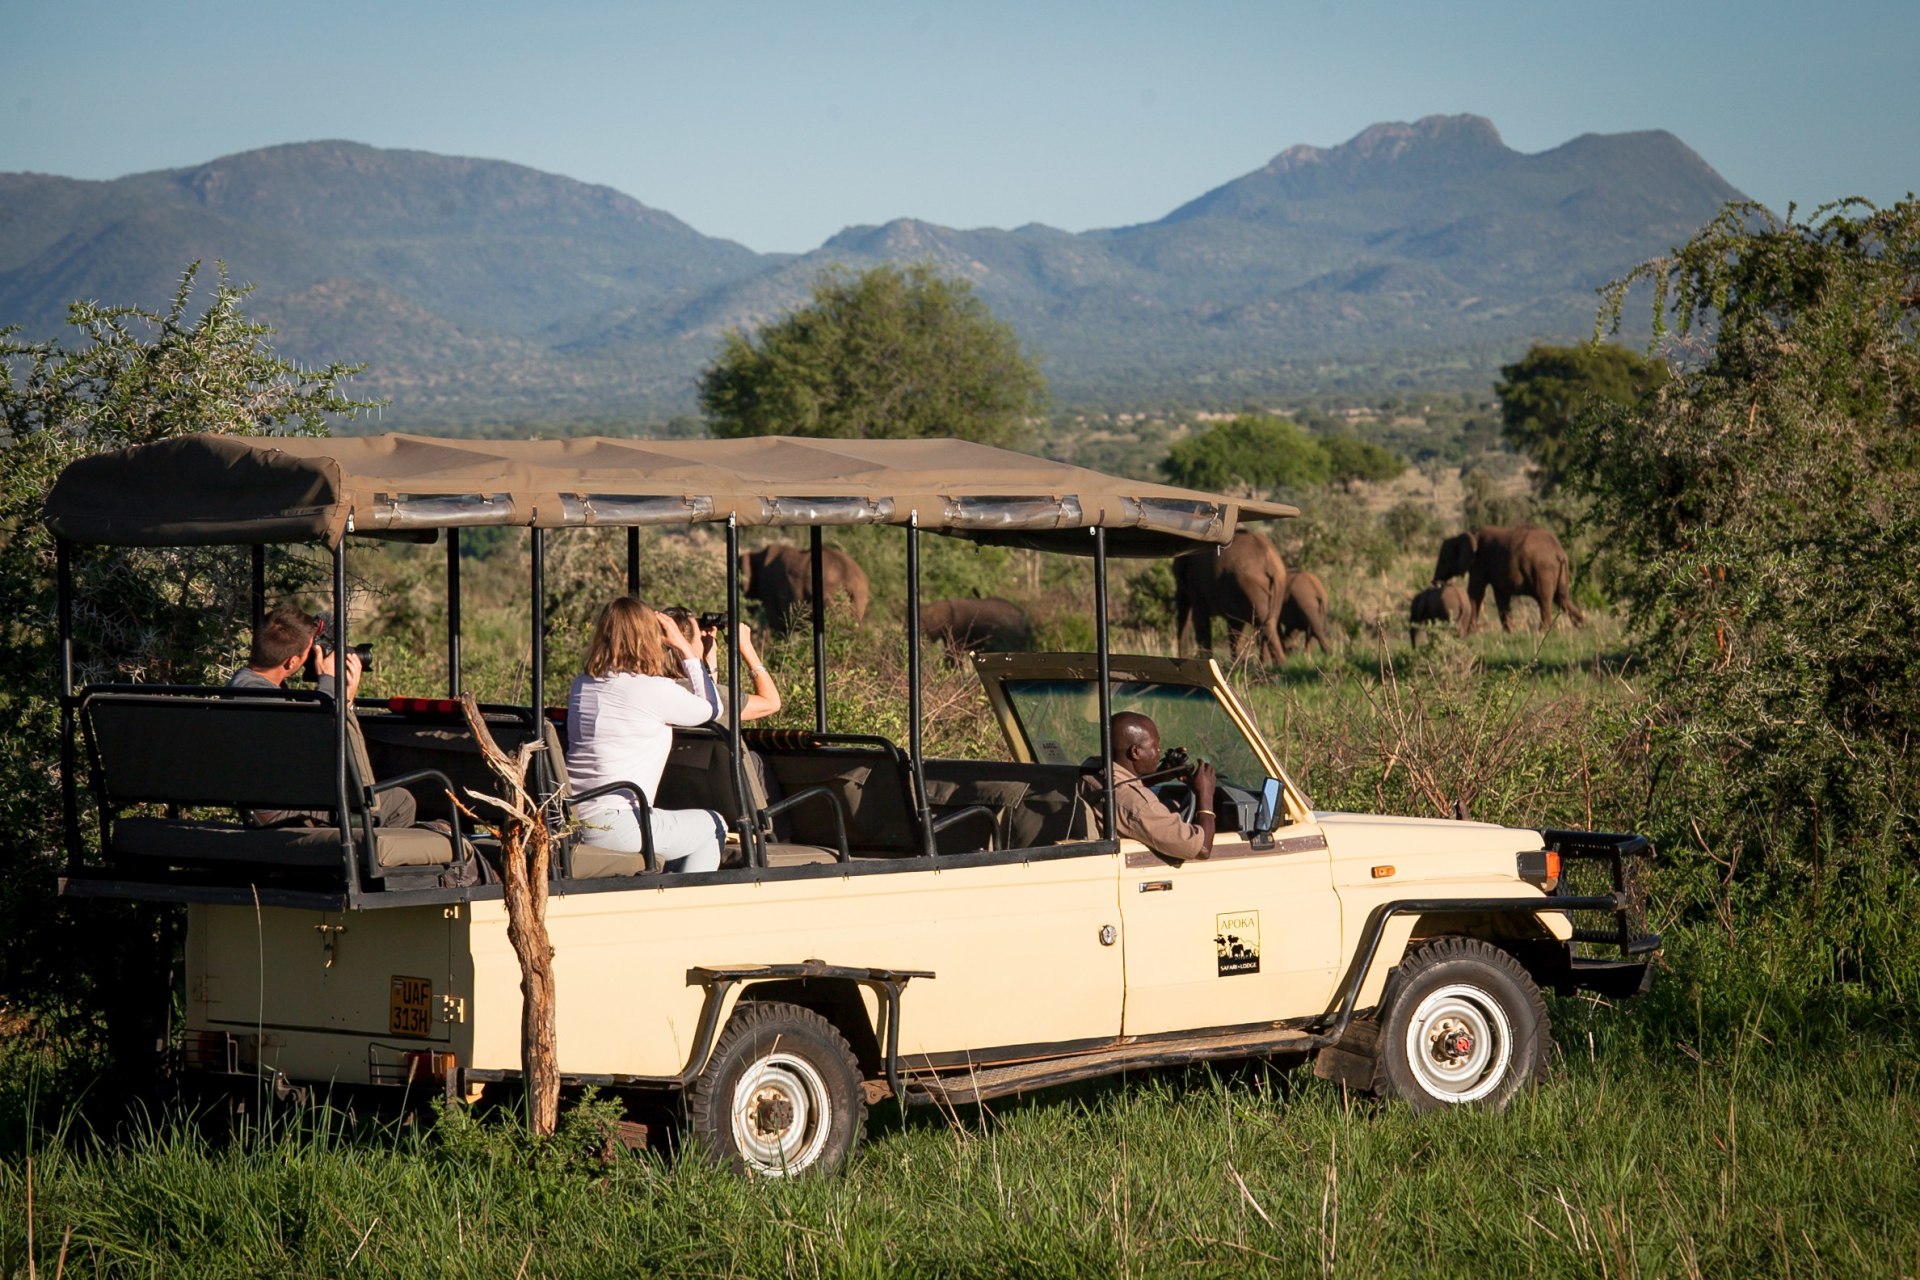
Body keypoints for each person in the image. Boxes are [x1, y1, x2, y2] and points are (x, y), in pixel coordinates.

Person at [566, 597, 728, 873]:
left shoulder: (584, 684)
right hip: (619, 825)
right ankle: (685, 908)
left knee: (680, 836)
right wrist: (687, 650)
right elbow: (712, 709)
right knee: (713, 825)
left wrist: (701, 658)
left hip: (575, 819)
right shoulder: (652, 689)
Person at [228, 602, 416, 829]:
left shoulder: (241, 688)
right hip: (283, 810)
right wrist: (335, 688)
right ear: (292, 662)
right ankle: (359, 862)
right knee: (400, 801)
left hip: (266, 804)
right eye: (309, 652)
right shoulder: (267, 702)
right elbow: (322, 750)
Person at [1079, 711, 1217, 862]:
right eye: (1155, 745)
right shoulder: (1141, 806)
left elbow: (1122, 786)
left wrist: (1159, 775)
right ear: (1135, 752)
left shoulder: (1091, 770)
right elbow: (1202, 850)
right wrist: (1205, 793)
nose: (1158, 752)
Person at [661, 608, 783, 722]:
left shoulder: (657, 688)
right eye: (698, 637)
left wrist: (710, 654)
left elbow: (704, 691)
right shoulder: (722, 698)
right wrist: (746, 647)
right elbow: (771, 703)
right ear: (685, 645)